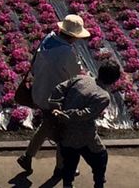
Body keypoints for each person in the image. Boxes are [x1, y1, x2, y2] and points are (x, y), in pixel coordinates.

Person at [17, 14, 91, 175]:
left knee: (47, 125)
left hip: (39, 92)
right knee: (63, 133)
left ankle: (27, 156)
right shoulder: (66, 53)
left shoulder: (48, 39)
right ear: (73, 36)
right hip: (56, 99)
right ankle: (61, 167)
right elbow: (76, 75)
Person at [49, 60, 123, 188]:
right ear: (114, 80)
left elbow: (58, 88)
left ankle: (67, 185)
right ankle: (99, 183)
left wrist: (57, 107)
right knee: (100, 157)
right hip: (85, 136)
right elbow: (85, 114)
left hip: (64, 132)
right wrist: (66, 115)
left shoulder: (81, 78)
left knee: (69, 163)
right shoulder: (103, 96)